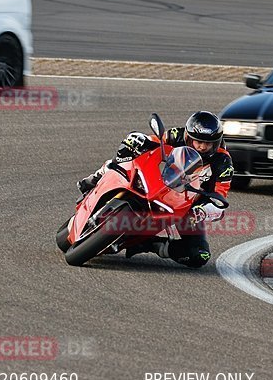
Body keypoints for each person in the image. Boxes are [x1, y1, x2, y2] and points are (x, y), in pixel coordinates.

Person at [78, 111, 233, 268]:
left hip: (188, 207)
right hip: (160, 181)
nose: (202, 147)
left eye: (208, 143)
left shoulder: (223, 162)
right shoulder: (177, 135)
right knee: (124, 155)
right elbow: (153, 141)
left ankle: (149, 244)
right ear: (188, 136)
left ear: (217, 142)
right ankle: (94, 179)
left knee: (200, 256)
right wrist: (138, 140)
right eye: (198, 141)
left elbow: (220, 199)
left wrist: (203, 211)